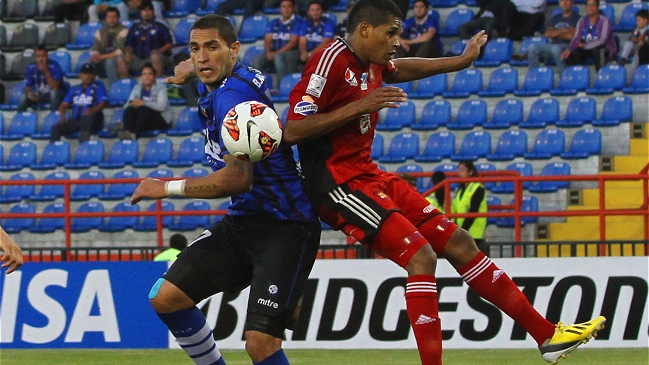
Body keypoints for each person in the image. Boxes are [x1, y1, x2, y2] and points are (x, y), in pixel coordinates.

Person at [283, 1, 605, 364]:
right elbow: (292, 130)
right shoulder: (330, 61)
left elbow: (399, 68)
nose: (397, 42)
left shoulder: (372, 61)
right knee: (421, 257)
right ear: (364, 30)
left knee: (460, 241)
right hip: (336, 184)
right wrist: (359, 106)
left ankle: (547, 335)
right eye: (391, 33)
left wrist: (460, 61)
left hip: (369, 175)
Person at [135, 14, 321, 365]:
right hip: (245, 221)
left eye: (212, 48)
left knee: (260, 344)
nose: (202, 56)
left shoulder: (231, 101)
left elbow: (238, 179)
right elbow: (214, 65)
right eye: (195, 48)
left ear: (234, 49)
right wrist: (191, 68)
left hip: (285, 226)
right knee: (166, 297)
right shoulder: (233, 78)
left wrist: (166, 187)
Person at [518, 0, 580, 75]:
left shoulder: (578, 18)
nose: (564, 2)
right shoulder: (555, 18)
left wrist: (555, 32)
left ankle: (564, 76)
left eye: (567, 0)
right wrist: (566, 30)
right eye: (562, 1)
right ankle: (534, 76)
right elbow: (547, 34)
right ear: (559, 3)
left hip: (568, 47)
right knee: (532, 47)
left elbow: (572, 36)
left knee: (556, 49)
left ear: (572, 3)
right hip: (552, 46)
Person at [51, 63, 108, 143]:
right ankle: (54, 151)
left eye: (90, 73)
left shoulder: (98, 88)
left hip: (93, 120)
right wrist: (63, 116)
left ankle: (83, 147)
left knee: (87, 117)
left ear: (94, 75)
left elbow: (103, 103)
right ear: (80, 75)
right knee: (56, 128)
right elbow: (63, 105)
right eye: (85, 73)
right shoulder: (74, 89)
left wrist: (93, 110)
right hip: (77, 121)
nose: (88, 76)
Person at [252, 0, 303, 89]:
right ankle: (259, 89)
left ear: (293, 8)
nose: (286, 9)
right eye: (284, 7)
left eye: (289, 7)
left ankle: (281, 87)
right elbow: (267, 40)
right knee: (257, 59)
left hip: (290, 53)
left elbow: (293, 42)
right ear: (280, 9)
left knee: (278, 57)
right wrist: (268, 52)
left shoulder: (298, 22)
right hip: (273, 52)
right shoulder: (274, 22)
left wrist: (275, 54)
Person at [118, 62, 172, 139]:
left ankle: (135, 135)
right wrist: (132, 103)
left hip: (161, 119)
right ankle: (127, 132)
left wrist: (144, 103)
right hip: (143, 120)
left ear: (154, 76)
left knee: (143, 109)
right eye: (144, 74)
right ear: (141, 76)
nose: (147, 77)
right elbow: (127, 104)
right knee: (129, 109)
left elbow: (161, 107)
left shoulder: (161, 88)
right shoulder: (138, 87)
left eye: (150, 74)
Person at [561, 0, 617, 72]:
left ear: (597, 7)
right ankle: (579, 76)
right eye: (588, 5)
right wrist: (569, 49)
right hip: (587, 47)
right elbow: (576, 37)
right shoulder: (582, 20)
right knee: (572, 53)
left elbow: (602, 40)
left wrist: (585, 46)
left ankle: (600, 75)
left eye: (593, 5)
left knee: (598, 50)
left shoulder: (604, 20)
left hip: (603, 47)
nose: (590, 7)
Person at [124, 0, 174, 76]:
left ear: (153, 12)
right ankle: (123, 85)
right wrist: (128, 52)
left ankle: (157, 83)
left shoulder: (160, 26)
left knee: (155, 56)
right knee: (120, 58)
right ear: (140, 12)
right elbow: (129, 44)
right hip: (138, 59)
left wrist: (158, 51)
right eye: (144, 10)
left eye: (149, 10)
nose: (146, 13)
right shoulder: (134, 27)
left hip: (157, 58)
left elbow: (169, 44)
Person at [450, 161, 487, 255]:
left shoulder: (478, 188)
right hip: (461, 232)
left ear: (470, 172)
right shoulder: (459, 190)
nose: (459, 173)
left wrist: (462, 229)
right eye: (458, 170)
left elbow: (473, 210)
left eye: (462, 170)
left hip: (475, 233)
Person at [18, 46, 67, 112]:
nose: (40, 59)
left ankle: (54, 117)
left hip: (56, 94)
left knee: (53, 93)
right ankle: (20, 119)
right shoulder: (31, 67)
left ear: (47, 56)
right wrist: (29, 94)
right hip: (40, 94)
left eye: (43, 56)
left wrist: (46, 71)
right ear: (35, 57)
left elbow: (55, 87)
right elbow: (27, 86)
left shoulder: (55, 65)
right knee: (23, 97)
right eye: (38, 56)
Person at [90, 6, 129, 85]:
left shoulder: (124, 30)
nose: (112, 20)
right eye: (109, 17)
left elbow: (120, 51)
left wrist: (101, 57)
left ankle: (113, 87)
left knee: (109, 62)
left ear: (118, 18)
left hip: (118, 60)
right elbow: (95, 47)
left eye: (114, 17)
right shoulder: (100, 31)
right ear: (106, 18)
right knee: (89, 62)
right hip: (102, 60)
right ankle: (91, 89)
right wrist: (95, 55)